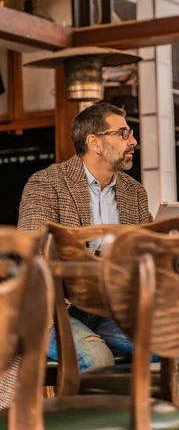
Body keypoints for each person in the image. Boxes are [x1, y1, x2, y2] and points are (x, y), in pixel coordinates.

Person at [18, 102, 153, 370]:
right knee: (96, 358)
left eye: (131, 132)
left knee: (176, 346)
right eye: (123, 133)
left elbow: (146, 245)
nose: (133, 141)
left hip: (112, 308)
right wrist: (106, 257)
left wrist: (171, 244)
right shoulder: (45, 184)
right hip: (54, 311)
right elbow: (35, 252)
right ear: (95, 142)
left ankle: (153, 413)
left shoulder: (134, 191)